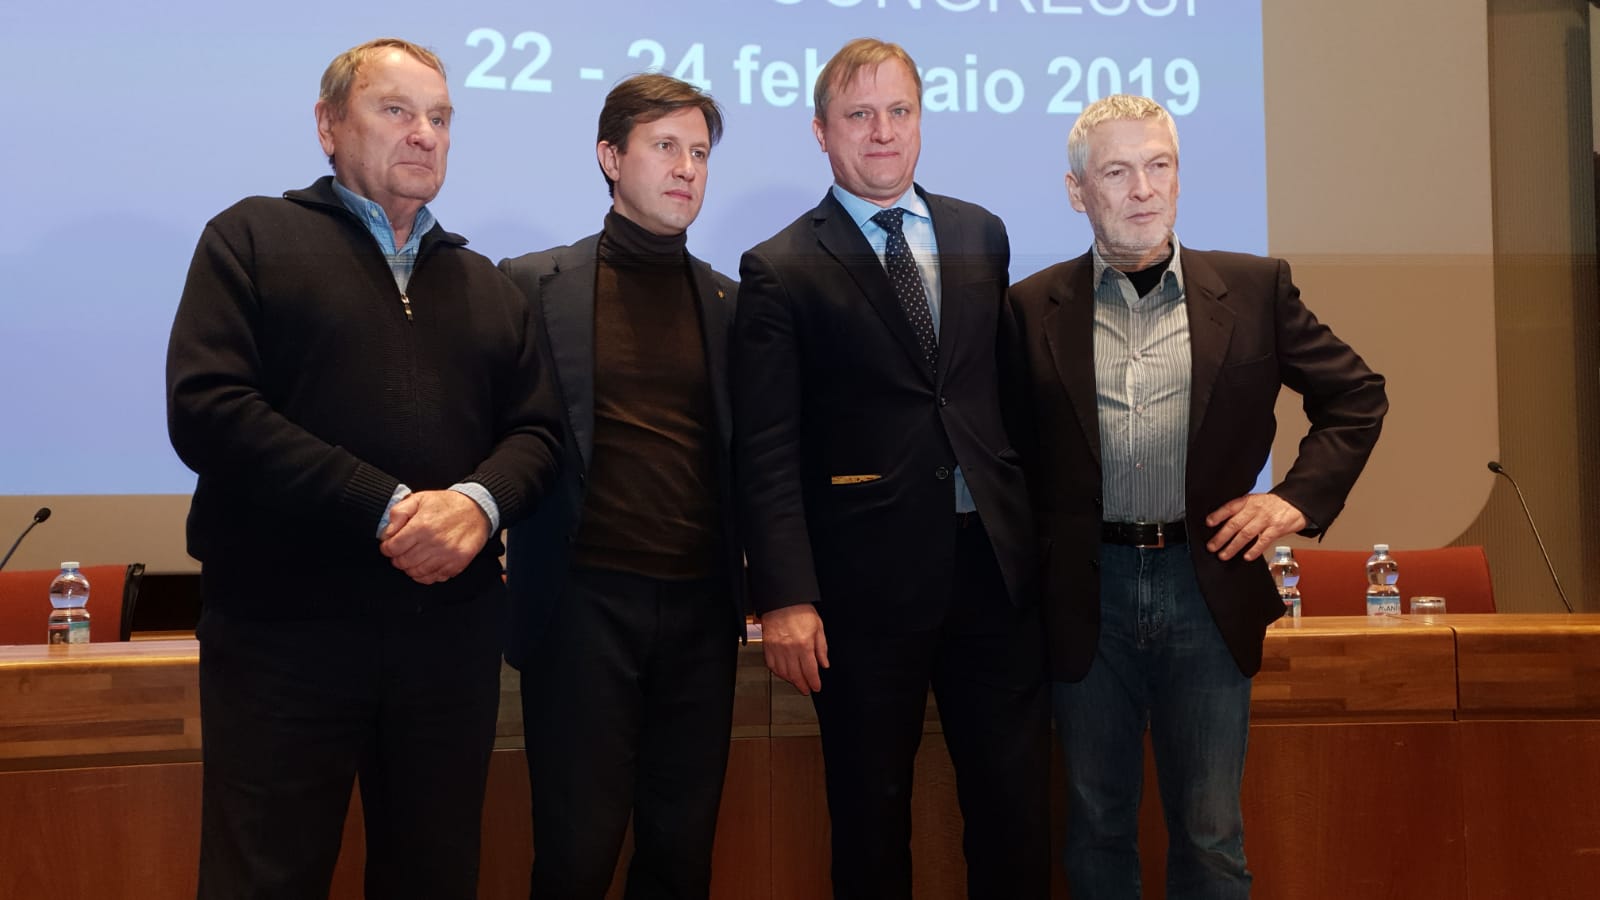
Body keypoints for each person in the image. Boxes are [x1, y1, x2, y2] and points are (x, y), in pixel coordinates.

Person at [165, 38, 562, 900]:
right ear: (328, 125)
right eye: (397, 110)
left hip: (449, 642)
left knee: (436, 877)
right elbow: (209, 408)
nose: (425, 134)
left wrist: (477, 504)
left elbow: (539, 434)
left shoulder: (488, 285)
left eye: (441, 118)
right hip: (282, 636)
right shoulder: (250, 238)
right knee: (262, 880)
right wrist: (382, 505)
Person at [1004, 94, 1389, 898]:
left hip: (1205, 585)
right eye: (1117, 171)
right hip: (1084, 596)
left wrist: (1294, 500)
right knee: (1095, 830)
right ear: (1077, 191)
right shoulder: (1029, 306)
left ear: (1179, 177)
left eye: (1159, 165)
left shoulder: (1252, 289)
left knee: (1211, 836)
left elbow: (1356, 396)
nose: (1143, 189)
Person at [732, 37, 1050, 900]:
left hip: (993, 578)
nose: (882, 132)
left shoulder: (981, 233)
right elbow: (766, 447)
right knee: (872, 823)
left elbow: (1001, 401)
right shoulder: (779, 265)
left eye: (899, 111)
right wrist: (784, 594)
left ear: (920, 120)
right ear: (821, 132)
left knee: (1016, 816)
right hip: (862, 591)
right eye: (860, 115)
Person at [497, 73, 742, 900]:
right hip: (581, 610)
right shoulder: (530, 285)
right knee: (576, 856)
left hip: (701, 615)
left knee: (682, 856)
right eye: (665, 147)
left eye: (699, 153)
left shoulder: (730, 303)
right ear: (610, 157)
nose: (686, 169)